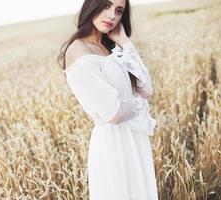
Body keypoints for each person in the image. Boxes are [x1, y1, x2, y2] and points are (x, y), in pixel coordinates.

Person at [57, 0, 158, 199]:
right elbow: (113, 113)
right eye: (106, 6)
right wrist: (139, 104)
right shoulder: (78, 50)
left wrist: (125, 43)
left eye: (118, 11)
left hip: (134, 139)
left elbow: (146, 89)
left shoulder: (109, 47)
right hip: (114, 145)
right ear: (91, 6)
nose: (112, 15)